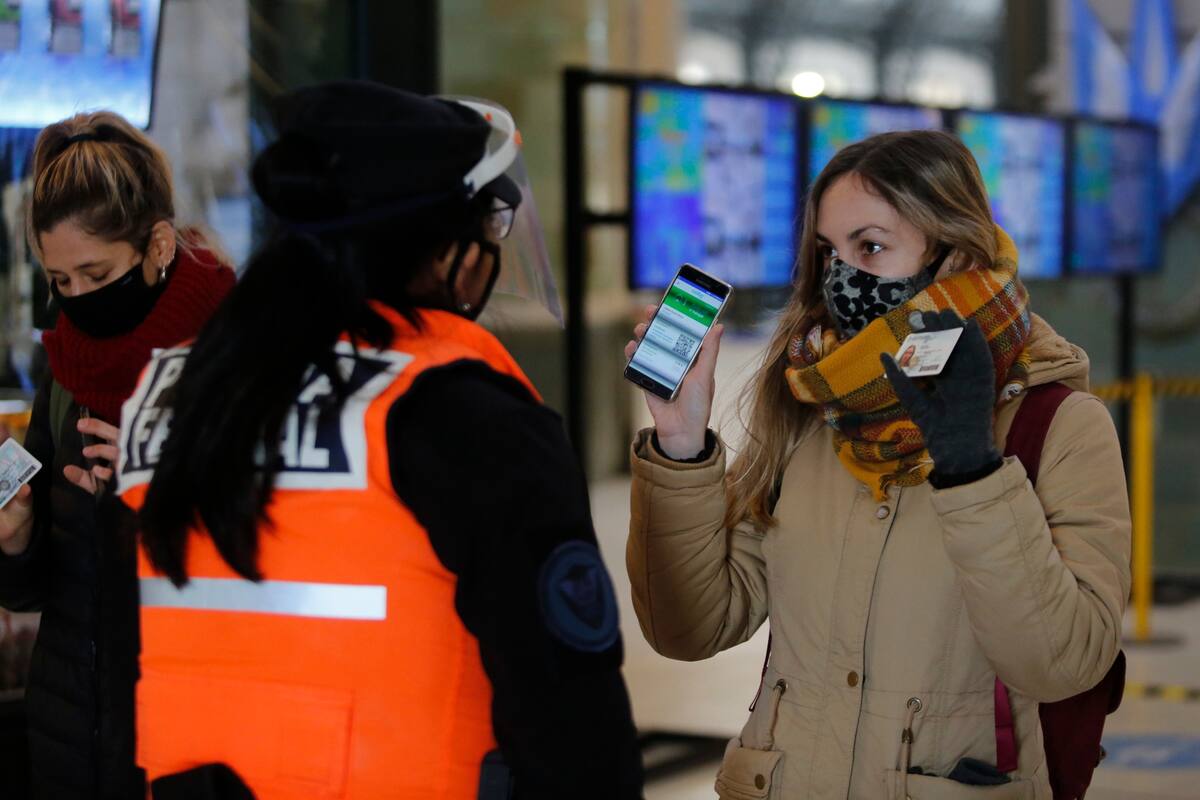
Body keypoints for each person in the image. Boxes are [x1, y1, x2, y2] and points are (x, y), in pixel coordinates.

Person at [116, 82, 643, 800]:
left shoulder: (185, 391)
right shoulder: (461, 413)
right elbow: (571, 719)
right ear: (439, 252)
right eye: (487, 233)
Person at [625, 130, 1130, 799]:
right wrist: (681, 448)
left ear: (953, 250)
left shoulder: (1058, 425)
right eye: (828, 251)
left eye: (870, 247)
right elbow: (690, 630)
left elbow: (1061, 663)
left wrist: (971, 470)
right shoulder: (809, 410)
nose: (842, 277)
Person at [0, 111, 235, 799]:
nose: (77, 299)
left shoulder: (235, 358)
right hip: (72, 734)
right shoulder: (66, 371)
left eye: (96, 273)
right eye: (61, 280)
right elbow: (38, 587)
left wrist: (161, 485)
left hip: (194, 737)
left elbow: (280, 551)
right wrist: (16, 538)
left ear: (157, 245)